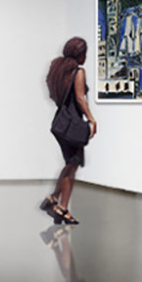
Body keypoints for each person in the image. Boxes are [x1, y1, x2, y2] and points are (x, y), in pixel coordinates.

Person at [42, 37, 98, 226]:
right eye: (85, 53)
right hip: (73, 125)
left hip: (61, 122)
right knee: (72, 166)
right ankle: (62, 208)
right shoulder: (78, 72)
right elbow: (81, 99)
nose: (86, 57)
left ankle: (53, 198)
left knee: (69, 164)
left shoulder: (58, 69)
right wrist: (91, 119)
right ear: (80, 54)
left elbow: (53, 94)